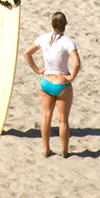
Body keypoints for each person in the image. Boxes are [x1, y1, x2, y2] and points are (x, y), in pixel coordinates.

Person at [22, 12, 81, 158]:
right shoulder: (68, 42)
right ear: (65, 24)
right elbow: (77, 63)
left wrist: (37, 70)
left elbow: (26, 54)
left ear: (51, 24)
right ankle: (65, 151)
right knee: (63, 121)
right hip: (62, 84)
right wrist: (71, 77)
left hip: (46, 82)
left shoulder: (43, 38)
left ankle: (46, 149)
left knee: (46, 117)